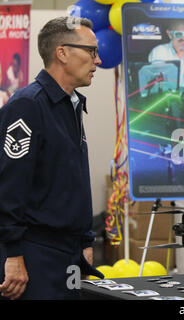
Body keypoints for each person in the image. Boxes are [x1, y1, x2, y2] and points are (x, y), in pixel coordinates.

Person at [0, 16, 103, 300]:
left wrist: (84, 241)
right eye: (92, 51)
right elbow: (10, 186)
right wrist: (13, 255)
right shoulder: (27, 105)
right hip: (35, 255)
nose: (98, 61)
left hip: (69, 254)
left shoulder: (71, 105)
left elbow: (71, 181)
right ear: (62, 52)